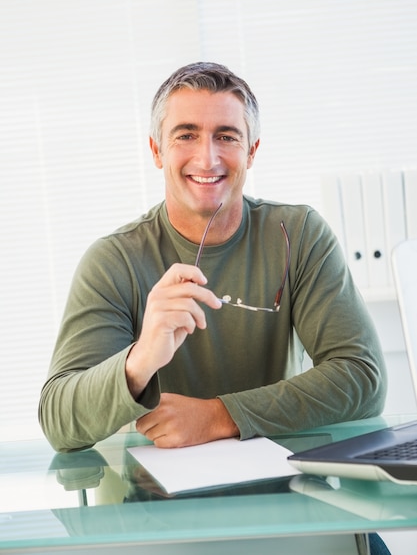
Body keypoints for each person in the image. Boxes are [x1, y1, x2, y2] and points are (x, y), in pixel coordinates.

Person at [39, 61, 387, 454]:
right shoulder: (113, 260)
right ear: (156, 150)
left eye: (226, 136)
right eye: (186, 135)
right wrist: (140, 359)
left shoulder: (298, 235)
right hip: (152, 499)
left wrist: (220, 416)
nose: (207, 159)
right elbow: (58, 422)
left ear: (252, 151)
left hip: (278, 484)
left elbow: (363, 378)